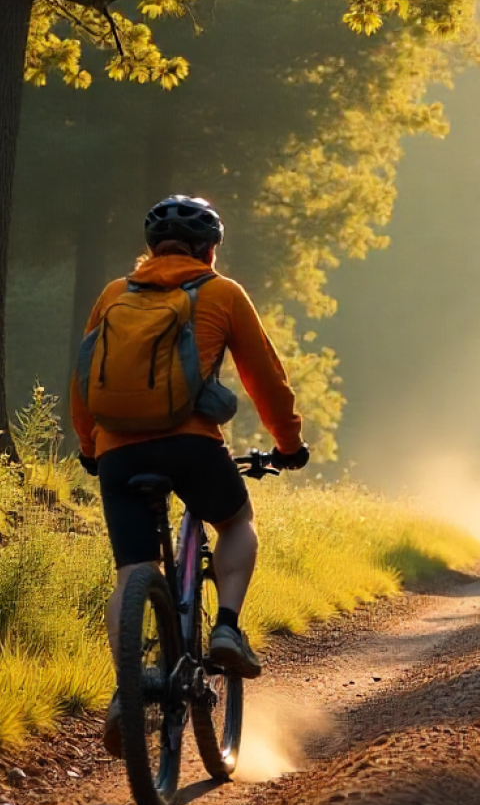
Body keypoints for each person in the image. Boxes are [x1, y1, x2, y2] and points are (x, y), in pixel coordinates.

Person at [70, 195, 309, 757]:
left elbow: (84, 379)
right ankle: (225, 626)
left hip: (119, 454)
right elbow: (264, 378)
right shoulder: (223, 293)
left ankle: (128, 691)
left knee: (132, 573)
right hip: (193, 445)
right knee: (237, 521)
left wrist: (90, 447)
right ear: (209, 250)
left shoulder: (114, 294)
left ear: (152, 248)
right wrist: (289, 444)